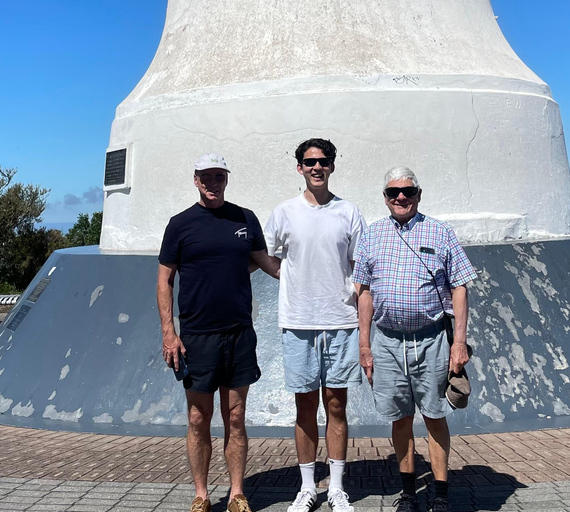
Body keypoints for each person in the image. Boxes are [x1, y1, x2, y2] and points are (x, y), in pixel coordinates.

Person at [157, 153, 279, 512]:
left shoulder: (245, 219)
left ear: (227, 179)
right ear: (195, 180)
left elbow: (268, 264)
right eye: (206, 177)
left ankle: (238, 493)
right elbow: (164, 279)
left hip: (239, 331)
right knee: (198, 418)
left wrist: (312, 268)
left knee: (236, 417)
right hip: (196, 335)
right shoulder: (180, 225)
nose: (213, 183)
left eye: (219, 177)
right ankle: (201, 494)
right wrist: (169, 331)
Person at [352, 168, 477, 512]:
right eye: (393, 193)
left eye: (407, 191)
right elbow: (363, 293)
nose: (401, 198)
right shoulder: (372, 234)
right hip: (388, 342)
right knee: (400, 418)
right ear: (385, 197)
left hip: (432, 339)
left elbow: (460, 288)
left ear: (418, 194)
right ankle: (408, 493)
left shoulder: (440, 232)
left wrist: (459, 342)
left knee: (436, 415)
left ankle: (439, 493)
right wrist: (365, 345)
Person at [264, 139, 366, 512]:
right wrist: (291, 280)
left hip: (341, 321)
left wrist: (348, 294)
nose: (316, 167)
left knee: (336, 405)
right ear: (299, 168)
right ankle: (308, 488)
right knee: (304, 407)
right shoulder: (284, 212)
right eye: (309, 162)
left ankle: (337, 489)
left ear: (332, 166)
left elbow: (362, 264)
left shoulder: (349, 212)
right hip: (298, 322)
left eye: (323, 161)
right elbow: (267, 254)